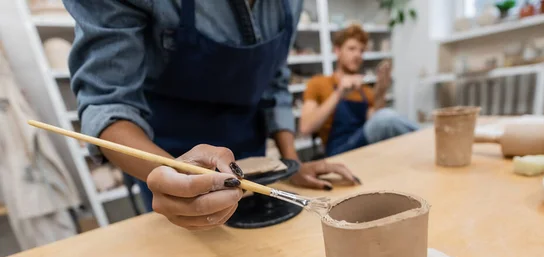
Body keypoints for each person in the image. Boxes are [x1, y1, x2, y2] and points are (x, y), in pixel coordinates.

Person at [63, 0, 359, 231]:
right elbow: (107, 101)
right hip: (166, 159)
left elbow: (273, 81)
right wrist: (173, 176)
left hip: (251, 155)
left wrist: (292, 162)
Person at [299, 24, 419, 157]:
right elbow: (306, 127)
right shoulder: (319, 83)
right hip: (337, 152)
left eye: (361, 51)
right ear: (337, 51)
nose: (357, 55)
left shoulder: (365, 90)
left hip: (364, 147)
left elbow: (375, 124)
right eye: (351, 49)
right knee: (385, 118)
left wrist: (380, 92)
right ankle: (430, 138)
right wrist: (339, 93)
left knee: (386, 120)